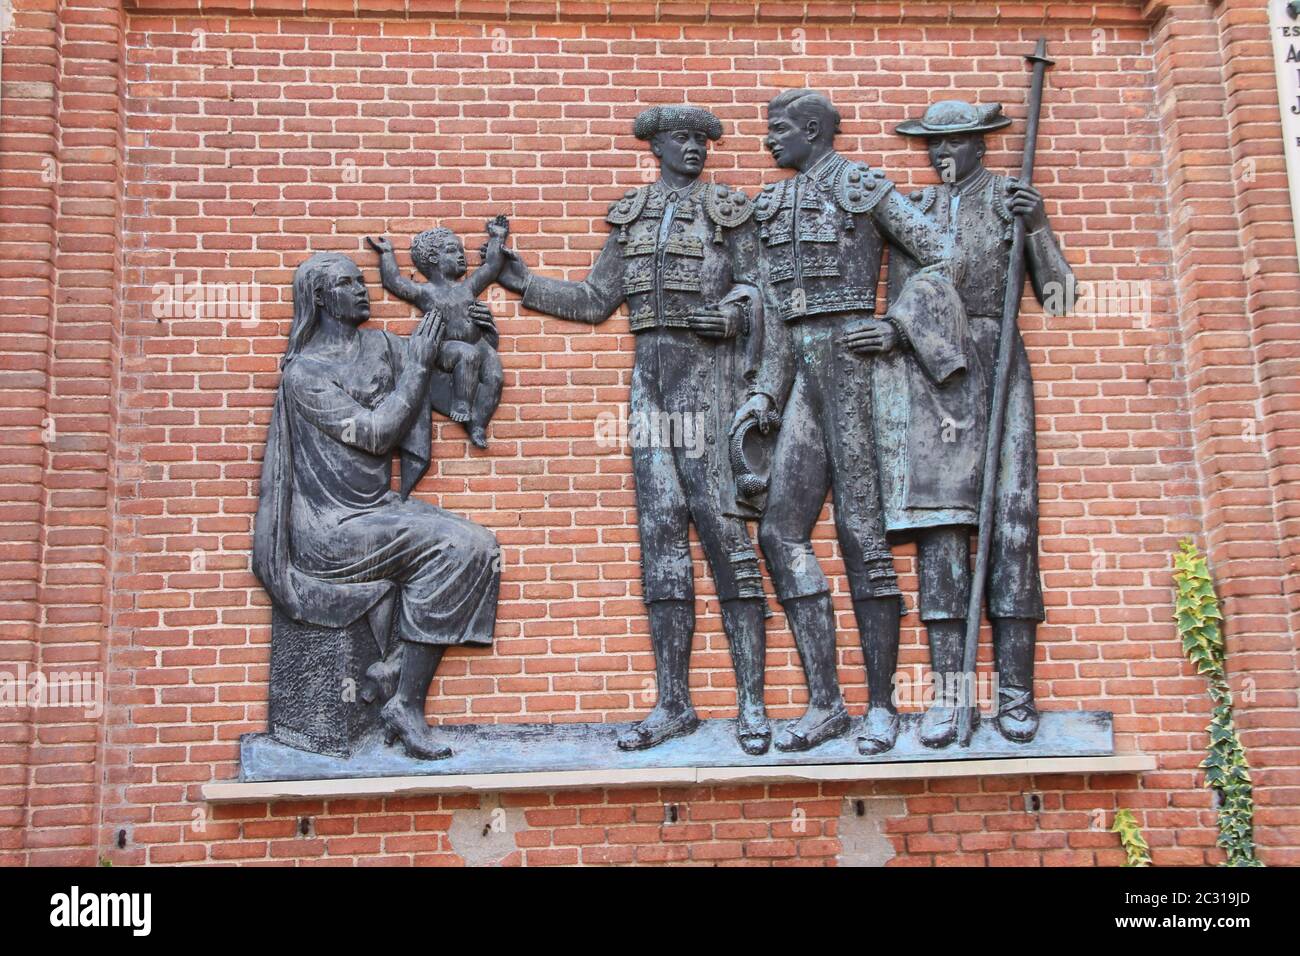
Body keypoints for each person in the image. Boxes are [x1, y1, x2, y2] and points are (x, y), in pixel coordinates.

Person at [496, 105, 773, 755]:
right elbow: (596, 302)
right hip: (649, 385)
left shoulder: (729, 211)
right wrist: (521, 280)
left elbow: (765, 295)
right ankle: (673, 702)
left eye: (703, 140)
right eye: (683, 139)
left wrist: (734, 317)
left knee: (726, 534)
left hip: (709, 380)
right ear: (657, 147)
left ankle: (753, 703)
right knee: (662, 538)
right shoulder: (632, 217)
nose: (696, 149)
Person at [730, 89, 947, 755]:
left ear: (815, 129)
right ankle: (826, 701)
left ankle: (882, 707)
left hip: (857, 373)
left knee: (863, 535)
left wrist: (897, 326)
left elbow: (938, 251)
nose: (769, 140)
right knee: (780, 531)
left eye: (780, 129)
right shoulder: (770, 204)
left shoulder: (862, 187)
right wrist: (765, 392)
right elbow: (771, 309)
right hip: (801, 373)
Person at [871, 100, 1075, 746]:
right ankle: (948, 700)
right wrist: (891, 335)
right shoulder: (917, 212)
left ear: (980, 145)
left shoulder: (1011, 203)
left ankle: (1015, 695)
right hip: (932, 377)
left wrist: (1037, 227)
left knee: (1011, 525)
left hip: (997, 362)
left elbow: (1062, 296)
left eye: (955, 143)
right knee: (940, 537)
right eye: (934, 145)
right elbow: (902, 300)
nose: (942, 155)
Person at [253, 252, 501, 761]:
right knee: (458, 545)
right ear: (321, 299)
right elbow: (375, 434)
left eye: (362, 281)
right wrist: (416, 367)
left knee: (478, 544)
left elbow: (440, 382)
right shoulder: (305, 374)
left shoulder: (380, 345)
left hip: (378, 511)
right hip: (331, 529)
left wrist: (477, 340)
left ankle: (396, 668)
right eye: (349, 284)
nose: (364, 290)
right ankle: (406, 704)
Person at [367, 216, 509, 448]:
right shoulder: (427, 293)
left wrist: (497, 237)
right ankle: (461, 404)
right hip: (447, 348)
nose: (461, 255)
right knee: (466, 355)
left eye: (461, 251)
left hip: (479, 342)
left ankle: (478, 425)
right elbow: (393, 281)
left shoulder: (469, 287)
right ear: (433, 259)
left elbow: (491, 266)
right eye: (452, 251)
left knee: (495, 377)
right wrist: (387, 254)